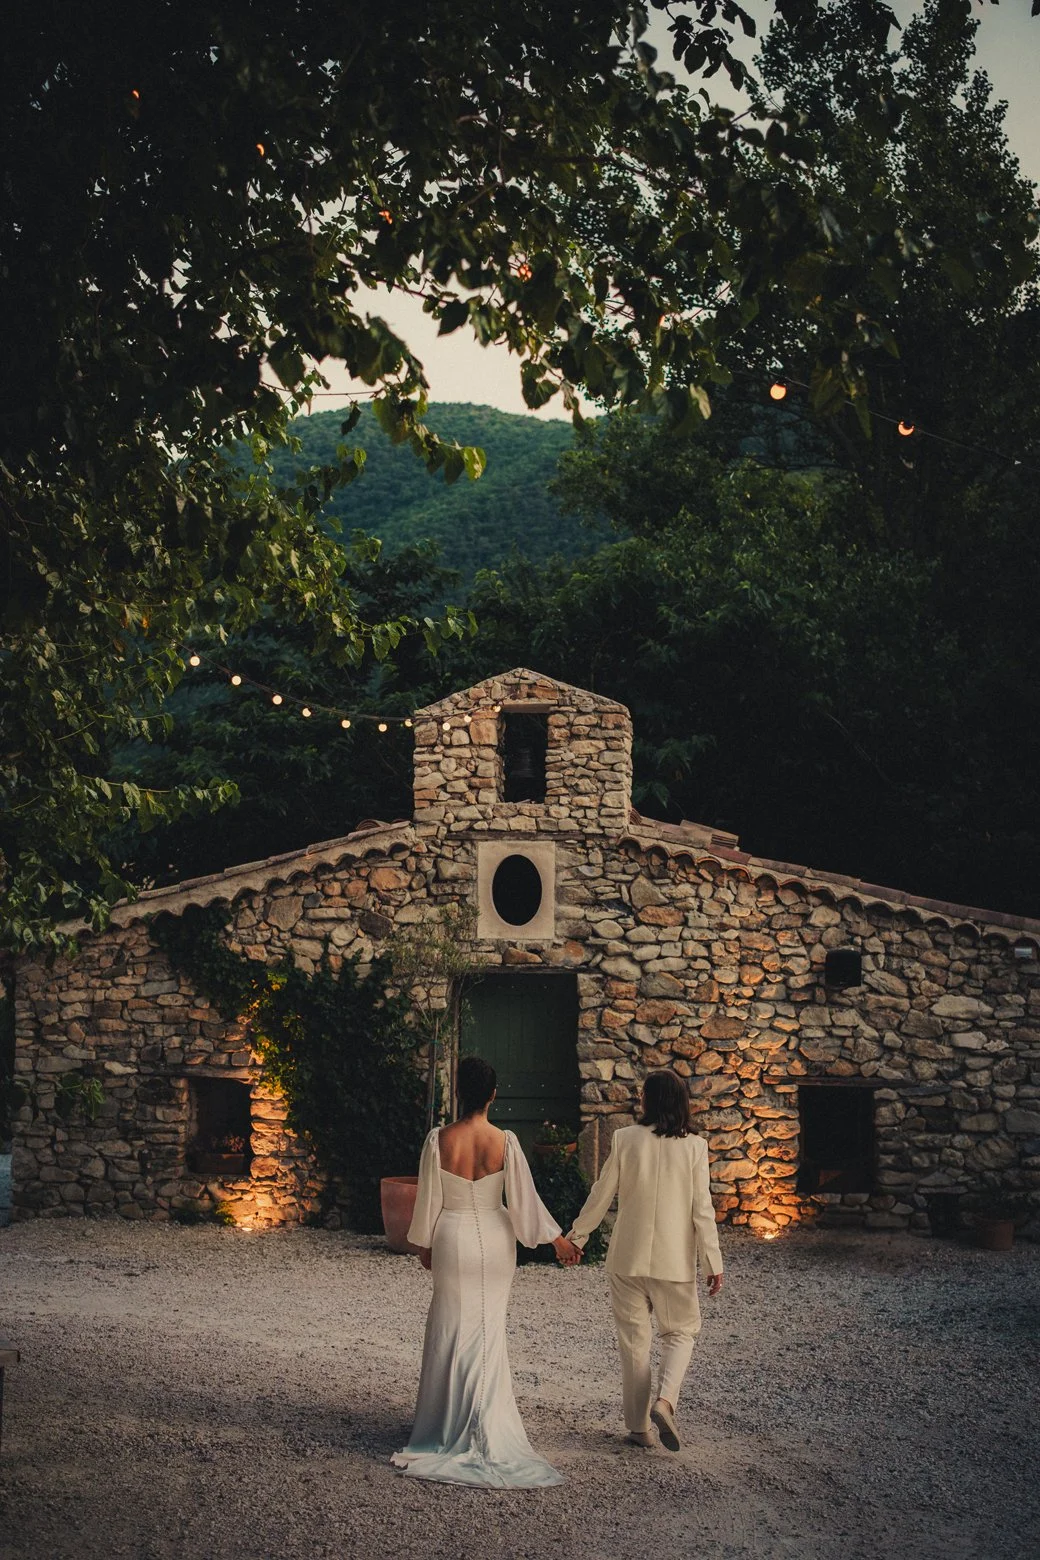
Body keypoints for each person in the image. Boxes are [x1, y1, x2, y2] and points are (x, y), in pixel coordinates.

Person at [391, 1055, 581, 1487]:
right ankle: (485, 1419)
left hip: (452, 1236)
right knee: (488, 1327)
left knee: (451, 1326)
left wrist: (425, 1243)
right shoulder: (506, 1142)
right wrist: (558, 1241)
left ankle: (447, 1423)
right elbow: (525, 1202)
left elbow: (429, 1199)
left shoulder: (438, 1140)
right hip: (495, 1239)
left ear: (459, 1092)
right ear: (493, 1095)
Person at [565, 1069, 724, 1452]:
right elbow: (702, 1210)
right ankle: (665, 1401)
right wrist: (712, 1261)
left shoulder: (625, 1139)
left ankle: (639, 1428)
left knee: (634, 1344)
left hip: (627, 1258)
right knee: (680, 1332)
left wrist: (577, 1237)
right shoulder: (695, 1147)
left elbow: (602, 1193)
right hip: (674, 1262)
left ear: (648, 1100)